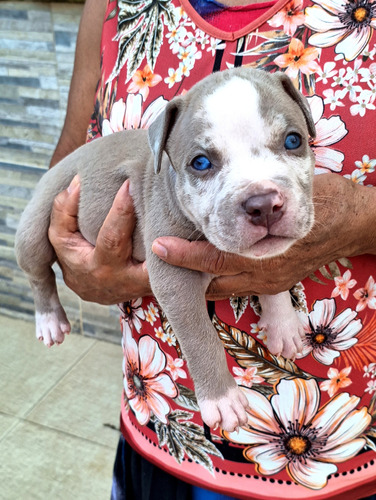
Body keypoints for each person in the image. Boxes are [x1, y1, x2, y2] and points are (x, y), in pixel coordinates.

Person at [47, 0, 376, 498]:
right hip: (163, 424)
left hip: (347, 442)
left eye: (289, 141)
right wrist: (73, 258)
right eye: (202, 161)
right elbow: (70, 171)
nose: (260, 201)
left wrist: (362, 220)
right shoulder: (111, 5)